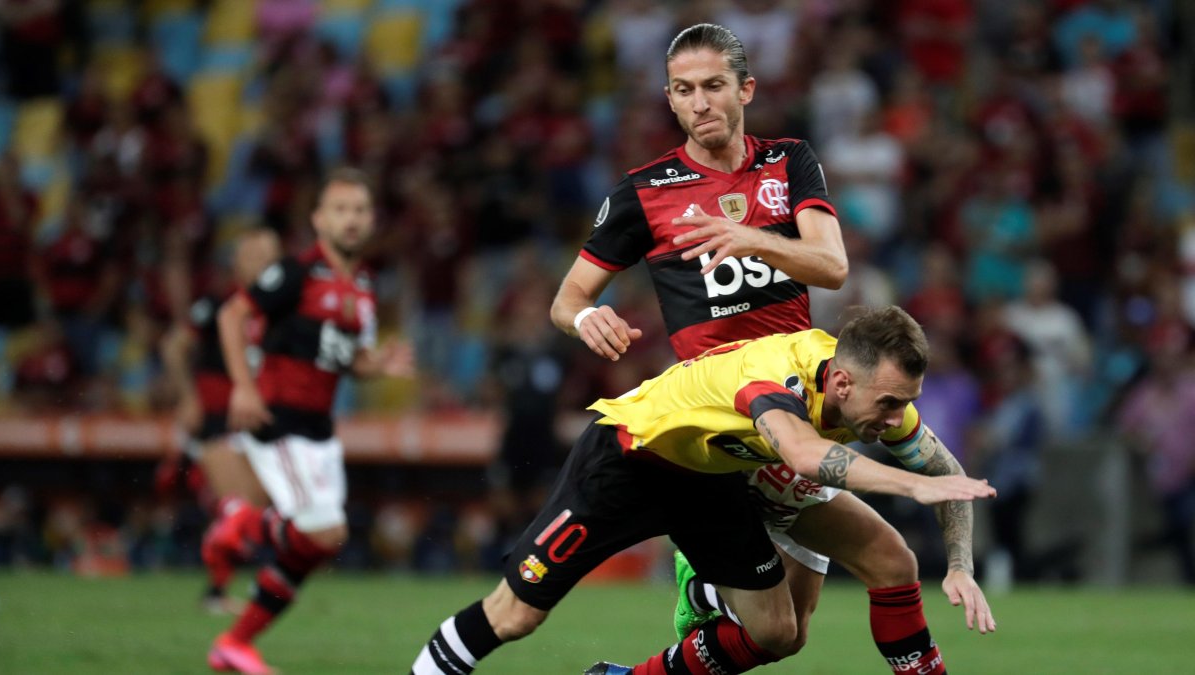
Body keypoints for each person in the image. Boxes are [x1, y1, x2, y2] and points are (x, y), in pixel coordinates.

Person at [551, 23, 993, 675]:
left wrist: (749, 237)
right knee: (875, 566)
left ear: (745, 89)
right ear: (670, 100)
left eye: (712, 86)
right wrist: (587, 316)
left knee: (787, 634)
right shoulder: (643, 191)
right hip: (728, 414)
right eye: (683, 90)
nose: (699, 102)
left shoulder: (788, 163)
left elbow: (833, 264)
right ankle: (705, 576)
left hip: (802, 395)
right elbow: (567, 299)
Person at [407, 306, 996, 675]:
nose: (898, 420)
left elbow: (945, 472)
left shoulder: (865, 386)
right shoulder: (774, 381)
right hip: (630, 460)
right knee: (514, 616)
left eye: (906, 404)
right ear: (842, 382)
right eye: (890, 404)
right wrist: (909, 485)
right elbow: (804, 454)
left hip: (709, 482)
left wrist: (961, 564)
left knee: (778, 633)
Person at [207, 168, 413, 674]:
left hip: (319, 430)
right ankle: (243, 522)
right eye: (340, 209)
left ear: (371, 220)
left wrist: (379, 364)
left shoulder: (363, 286)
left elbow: (350, 358)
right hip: (277, 420)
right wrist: (244, 386)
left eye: (360, 210)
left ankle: (234, 643)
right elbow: (231, 316)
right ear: (319, 219)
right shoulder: (296, 273)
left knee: (320, 544)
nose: (351, 219)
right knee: (322, 532)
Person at [159, 227, 280, 614]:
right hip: (217, 421)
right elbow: (173, 347)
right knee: (238, 506)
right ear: (236, 264)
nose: (262, 265)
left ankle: (226, 586)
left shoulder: (283, 311)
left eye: (269, 257)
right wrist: (188, 396)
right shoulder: (218, 306)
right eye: (253, 257)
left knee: (253, 510)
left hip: (258, 426)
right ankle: (216, 591)